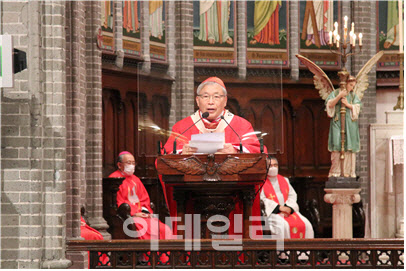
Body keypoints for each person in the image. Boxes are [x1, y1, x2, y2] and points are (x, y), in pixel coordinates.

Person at [162, 76, 263, 236]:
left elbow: (255, 152)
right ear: (197, 100)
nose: (210, 102)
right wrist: (182, 153)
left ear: (224, 100)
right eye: (205, 96)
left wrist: (235, 150)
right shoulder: (183, 126)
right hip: (191, 198)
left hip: (234, 197)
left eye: (216, 97)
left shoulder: (241, 125)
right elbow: (167, 156)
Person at [109, 151, 173, 240]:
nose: (132, 165)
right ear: (119, 165)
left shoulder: (136, 179)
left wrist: (145, 212)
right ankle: (149, 253)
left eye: (133, 163)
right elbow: (118, 202)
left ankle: (163, 254)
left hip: (142, 215)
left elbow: (144, 199)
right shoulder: (114, 179)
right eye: (128, 163)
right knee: (146, 228)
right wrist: (135, 213)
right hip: (129, 216)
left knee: (165, 229)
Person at [260, 156, 314, 238]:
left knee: (307, 224)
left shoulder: (284, 180)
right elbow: (262, 200)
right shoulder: (261, 182)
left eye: (275, 165)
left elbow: (292, 195)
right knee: (283, 226)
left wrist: (288, 208)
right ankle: (285, 251)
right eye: (270, 166)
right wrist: (279, 208)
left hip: (288, 211)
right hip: (273, 213)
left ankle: (305, 251)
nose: (273, 168)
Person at [325, 76, 361, 178]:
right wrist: (339, 96)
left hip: (350, 125)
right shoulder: (336, 93)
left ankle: (348, 172)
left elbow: (358, 107)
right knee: (336, 145)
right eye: (350, 85)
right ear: (345, 84)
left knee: (349, 147)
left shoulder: (353, 96)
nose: (352, 88)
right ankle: (336, 171)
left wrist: (348, 105)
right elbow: (329, 105)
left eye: (353, 86)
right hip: (337, 122)